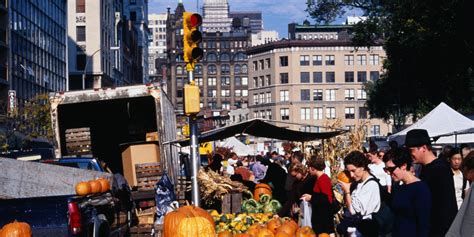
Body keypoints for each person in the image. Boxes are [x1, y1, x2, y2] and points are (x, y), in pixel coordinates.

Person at [405, 129, 457, 237]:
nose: (410, 154)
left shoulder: (440, 169)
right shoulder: (424, 169)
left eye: (411, 150)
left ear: (423, 148)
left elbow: (445, 207)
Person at [383, 148, 431, 237]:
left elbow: (424, 223)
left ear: (404, 166)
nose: (389, 173)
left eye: (391, 169)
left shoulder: (420, 189)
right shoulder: (399, 186)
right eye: (386, 170)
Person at [337, 151, 381, 237]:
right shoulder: (358, 183)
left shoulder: (371, 185)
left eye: (353, 170)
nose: (351, 175)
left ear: (363, 167)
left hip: (364, 229)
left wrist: (347, 191)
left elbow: (353, 210)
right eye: (349, 171)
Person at [301, 156, 335, 235]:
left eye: (309, 167)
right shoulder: (319, 178)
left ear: (313, 168)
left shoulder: (323, 179)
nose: (308, 170)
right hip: (320, 217)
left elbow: (327, 199)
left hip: (324, 221)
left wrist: (311, 197)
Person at [447, 151, 474, 236]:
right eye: (454, 159)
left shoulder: (466, 179)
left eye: (459, 159)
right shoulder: (448, 174)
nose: (457, 161)